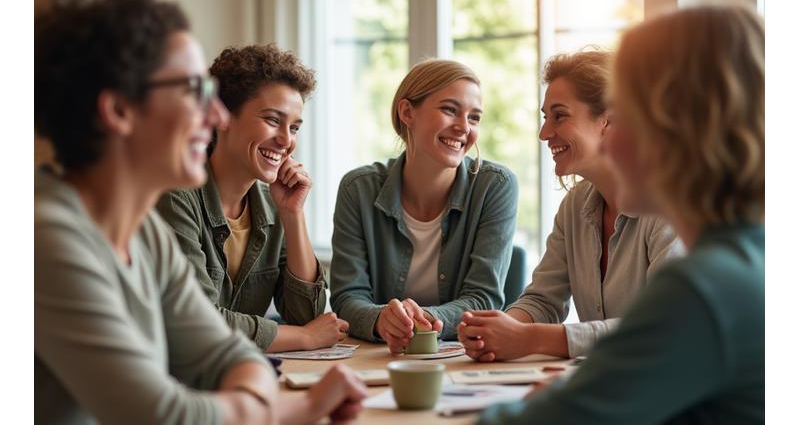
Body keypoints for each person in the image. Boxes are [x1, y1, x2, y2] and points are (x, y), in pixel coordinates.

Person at [34, 0, 366, 424]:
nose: (216, 117)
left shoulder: (143, 232)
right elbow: (165, 415)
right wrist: (289, 408)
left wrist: (263, 402)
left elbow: (226, 353)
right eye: (194, 92)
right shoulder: (46, 239)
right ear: (118, 110)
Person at [478, 1, 764, 424]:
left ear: (673, 131)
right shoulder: (746, 260)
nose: (609, 144)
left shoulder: (701, 289)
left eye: (624, 117)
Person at [457, 51, 683, 360]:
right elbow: (543, 300)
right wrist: (498, 329)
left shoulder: (671, 205)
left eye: (559, 116)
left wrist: (529, 338)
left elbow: (664, 326)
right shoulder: (574, 207)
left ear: (609, 120)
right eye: (545, 117)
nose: (544, 133)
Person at [156, 44, 348, 352]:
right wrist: (304, 338)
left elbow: (306, 314)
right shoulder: (174, 197)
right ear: (222, 116)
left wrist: (293, 214)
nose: (287, 141)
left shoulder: (273, 202)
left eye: (294, 127)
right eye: (273, 120)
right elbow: (199, 323)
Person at [330, 59, 519, 353]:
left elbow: (483, 299)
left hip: (459, 357)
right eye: (449, 110)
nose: (463, 128)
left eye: (474, 117)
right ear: (407, 112)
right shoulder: (358, 189)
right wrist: (382, 320)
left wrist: (428, 319)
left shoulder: (495, 186)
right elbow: (347, 298)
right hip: (379, 358)